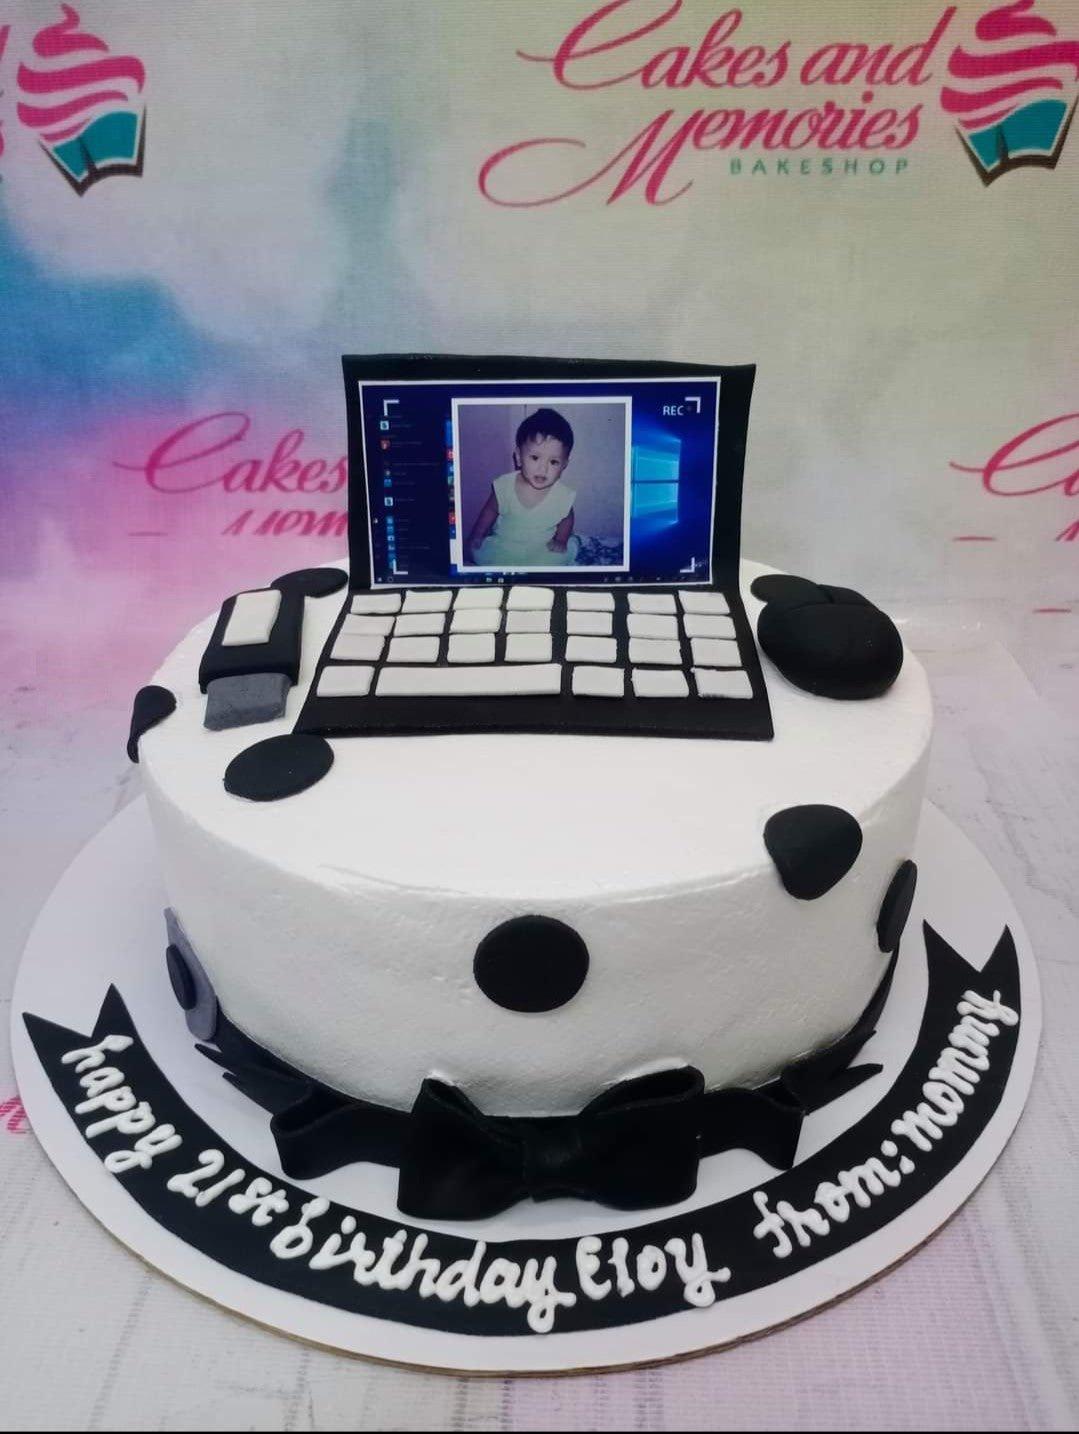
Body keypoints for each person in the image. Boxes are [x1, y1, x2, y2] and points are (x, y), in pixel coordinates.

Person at [466, 407, 578, 567]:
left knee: (560, 556)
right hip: (504, 545)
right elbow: (489, 511)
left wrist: (561, 540)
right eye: (535, 457)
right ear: (519, 457)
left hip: (541, 548)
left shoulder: (562, 495)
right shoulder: (504, 486)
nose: (543, 469)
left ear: (564, 465)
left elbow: (567, 519)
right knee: (479, 553)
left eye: (553, 462)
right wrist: (477, 535)